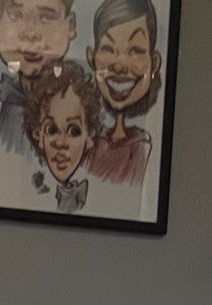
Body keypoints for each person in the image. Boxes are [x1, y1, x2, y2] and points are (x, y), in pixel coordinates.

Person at [85, 0, 164, 186]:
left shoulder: (141, 148)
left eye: (135, 51)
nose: (119, 66)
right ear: (92, 57)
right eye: (108, 49)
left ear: (154, 62)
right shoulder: (90, 142)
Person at [0, 0, 77, 156]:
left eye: (47, 17)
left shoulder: (78, 102)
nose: (30, 33)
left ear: (70, 26)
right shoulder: (2, 98)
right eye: (16, 15)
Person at [21, 63, 103, 213]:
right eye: (52, 130)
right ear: (38, 135)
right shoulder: (29, 188)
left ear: (89, 136)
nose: (60, 142)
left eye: (74, 131)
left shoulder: (94, 192)